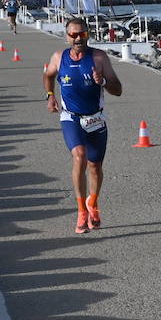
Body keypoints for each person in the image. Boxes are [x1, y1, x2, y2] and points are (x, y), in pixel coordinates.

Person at [43, 18, 122, 234]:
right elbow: (48, 75)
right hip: (71, 117)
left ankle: (92, 203)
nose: (78, 39)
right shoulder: (59, 58)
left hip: (96, 118)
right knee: (79, 156)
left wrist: (103, 82)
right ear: (67, 36)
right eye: (73, 35)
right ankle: (81, 211)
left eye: (82, 34)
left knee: (95, 166)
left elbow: (118, 89)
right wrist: (50, 95)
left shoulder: (98, 58)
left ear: (88, 34)